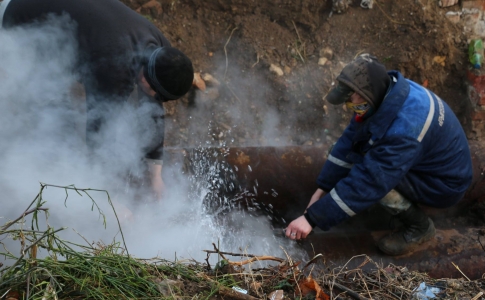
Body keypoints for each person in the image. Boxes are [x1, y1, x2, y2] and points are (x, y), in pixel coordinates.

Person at [0, 0, 194, 201]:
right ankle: (24, 179)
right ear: (147, 79)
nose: (157, 99)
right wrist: (107, 201)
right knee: (57, 123)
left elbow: (152, 111)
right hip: (19, 21)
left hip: (43, 9)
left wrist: (155, 176)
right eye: (158, 95)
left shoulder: (160, 51)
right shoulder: (116, 67)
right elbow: (99, 137)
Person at [285, 54, 473, 256]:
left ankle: (419, 227)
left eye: (350, 99)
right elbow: (350, 140)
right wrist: (321, 190)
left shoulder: (406, 128)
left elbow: (371, 180)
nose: (348, 105)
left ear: (367, 93)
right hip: (425, 162)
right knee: (353, 156)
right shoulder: (387, 91)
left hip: (443, 184)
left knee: (370, 176)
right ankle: (359, 205)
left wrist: (312, 219)